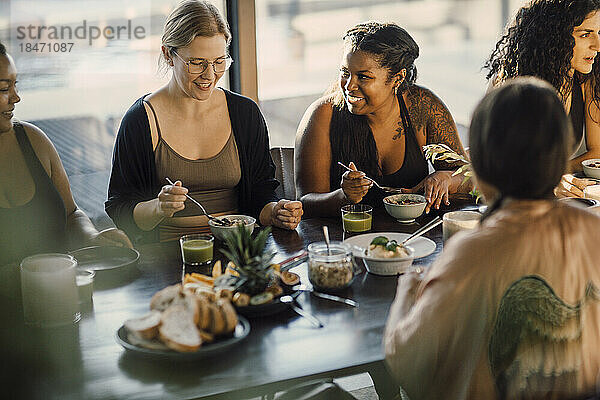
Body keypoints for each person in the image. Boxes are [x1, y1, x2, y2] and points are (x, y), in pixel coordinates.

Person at [384, 78, 600, 399]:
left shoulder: (473, 251)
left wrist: (408, 290)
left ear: (481, 170)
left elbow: (409, 359)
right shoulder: (593, 227)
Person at [105, 0, 302, 243]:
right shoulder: (140, 120)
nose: (210, 76)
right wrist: (158, 207)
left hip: (239, 249)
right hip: (168, 255)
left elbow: (260, 193)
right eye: (197, 63)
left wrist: (275, 212)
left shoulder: (244, 113)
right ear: (168, 54)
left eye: (219, 61)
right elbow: (119, 208)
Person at [295, 21, 470, 218]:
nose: (349, 86)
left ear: (397, 78)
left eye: (363, 77)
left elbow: (466, 175)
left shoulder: (423, 106)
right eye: (345, 73)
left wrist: (445, 178)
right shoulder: (323, 114)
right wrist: (344, 196)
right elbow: (305, 202)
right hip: (345, 241)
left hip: (414, 240)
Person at [0, 42, 132, 266]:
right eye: (4, 88)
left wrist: (93, 238)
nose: (16, 97)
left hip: (59, 290)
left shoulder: (34, 140)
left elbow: (71, 215)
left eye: (15, 85)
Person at [485, 0, 600, 198]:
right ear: (555, 36)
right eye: (585, 34)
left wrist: (555, 175)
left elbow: (596, 152)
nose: (597, 46)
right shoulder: (512, 87)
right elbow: (497, 164)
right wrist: (549, 179)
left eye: (599, 33)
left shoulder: (588, 79)